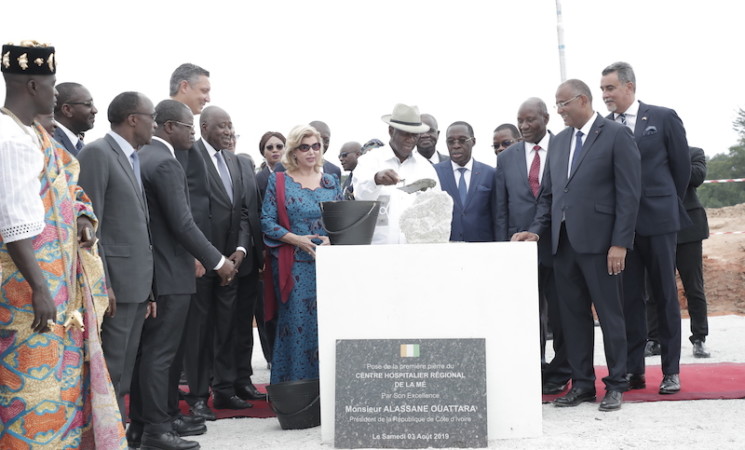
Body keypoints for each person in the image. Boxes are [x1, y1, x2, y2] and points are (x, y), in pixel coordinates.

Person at [0, 40, 126, 449]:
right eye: (53, 86)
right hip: (26, 289)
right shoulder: (10, 140)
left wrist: (85, 219)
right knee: (29, 387)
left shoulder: (35, 133)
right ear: (34, 85)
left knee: (60, 382)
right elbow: (14, 225)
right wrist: (39, 288)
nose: (57, 94)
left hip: (58, 289)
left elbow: (70, 186)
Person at [513, 79, 641, 412]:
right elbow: (549, 198)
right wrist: (535, 231)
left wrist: (620, 244)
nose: (558, 111)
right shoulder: (559, 143)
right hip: (563, 247)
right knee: (572, 319)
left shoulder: (615, 135)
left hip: (602, 247)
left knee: (611, 316)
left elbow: (629, 194)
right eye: (556, 105)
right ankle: (582, 384)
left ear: (582, 100)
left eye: (562, 103)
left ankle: (615, 384)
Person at [128, 100, 238, 449]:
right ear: (169, 127)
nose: (193, 134)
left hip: (153, 272)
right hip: (170, 273)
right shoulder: (164, 162)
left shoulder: (142, 157)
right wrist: (219, 261)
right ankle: (157, 431)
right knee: (162, 355)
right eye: (190, 127)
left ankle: (142, 426)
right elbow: (183, 223)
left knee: (149, 354)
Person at [600, 61, 691, 395]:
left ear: (629, 86)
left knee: (665, 294)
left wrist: (662, 202)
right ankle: (634, 370)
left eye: (610, 88)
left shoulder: (663, 117)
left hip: (660, 221)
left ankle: (671, 370)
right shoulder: (604, 128)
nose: (605, 95)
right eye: (602, 90)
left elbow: (681, 169)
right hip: (624, 229)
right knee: (629, 300)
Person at [77, 91, 156, 425]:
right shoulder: (98, 153)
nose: (154, 124)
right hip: (115, 288)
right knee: (111, 369)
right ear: (133, 119)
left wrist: (149, 288)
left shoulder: (132, 157)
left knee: (122, 371)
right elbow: (92, 227)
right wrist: (103, 283)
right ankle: (106, 436)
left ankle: (119, 435)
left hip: (137, 285)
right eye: (151, 117)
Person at [495, 98, 570, 395]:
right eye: (520, 121)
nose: (524, 127)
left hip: (560, 245)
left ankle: (562, 369)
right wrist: (504, 249)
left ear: (546, 118)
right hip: (519, 249)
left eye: (530, 120)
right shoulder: (507, 158)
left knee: (563, 312)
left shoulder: (564, 148)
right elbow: (501, 208)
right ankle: (532, 366)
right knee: (527, 312)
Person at [183, 106, 253, 420]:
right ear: (205, 126)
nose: (227, 132)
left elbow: (241, 211)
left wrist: (240, 249)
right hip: (202, 261)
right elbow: (185, 213)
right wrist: (208, 257)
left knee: (226, 327)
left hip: (231, 264)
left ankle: (225, 391)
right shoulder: (188, 155)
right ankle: (198, 397)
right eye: (222, 126)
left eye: (230, 126)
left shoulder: (235, 162)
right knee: (199, 333)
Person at [261, 124, 342, 384]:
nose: (311, 152)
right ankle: (296, 391)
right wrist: (296, 240)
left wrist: (334, 239)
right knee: (298, 327)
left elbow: (342, 221)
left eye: (316, 146)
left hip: (328, 266)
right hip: (296, 266)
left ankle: (329, 390)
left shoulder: (331, 181)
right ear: (294, 152)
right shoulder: (280, 180)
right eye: (304, 147)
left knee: (328, 324)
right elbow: (266, 221)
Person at [646, 146, 711, 358]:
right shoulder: (650, 155)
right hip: (657, 227)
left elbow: (697, 177)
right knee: (654, 287)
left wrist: (673, 158)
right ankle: (654, 339)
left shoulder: (693, 153)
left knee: (693, 287)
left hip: (689, 231)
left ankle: (699, 338)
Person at [352, 103, 440, 244]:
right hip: (377, 252)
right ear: (391, 131)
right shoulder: (369, 161)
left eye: (415, 135)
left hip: (415, 252)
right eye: (405, 133)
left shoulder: (426, 168)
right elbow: (360, 197)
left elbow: (436, 211)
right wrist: (376, 180)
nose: (410, 139)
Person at [229, 130, 269, 402]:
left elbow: (248, 212)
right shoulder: (195, 160)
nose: (229, 135)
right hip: (211, 258)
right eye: (223, 129)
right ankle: (218, 382)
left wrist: (249, 249)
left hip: (247, 257)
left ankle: (242, 379)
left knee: (243, 325)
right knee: (218, 328)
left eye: (233, 132)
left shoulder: (244, 165)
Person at [433, 121, 496, 241]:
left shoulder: (490, 173)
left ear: (473, 141)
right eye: (451, 141)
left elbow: (497, 215)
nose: (456, 145)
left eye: (462, 140)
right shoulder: (435, 173)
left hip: (482, 248)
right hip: (445, 248)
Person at [275, 120, 342, 181]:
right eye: (305, 147)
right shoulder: (282, 168)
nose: (322, 144)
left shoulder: (334, 171)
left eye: (326, 140)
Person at [53, 82, 97, 156]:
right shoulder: (50, 142)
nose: (95, 110)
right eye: (88, 104)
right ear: (67, 110)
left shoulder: (81, 146)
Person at [256, 131, 286, 198]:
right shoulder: (258, 179)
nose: (275, 150)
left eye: (279, 146)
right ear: (263, 152)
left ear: (286, 149)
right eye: (270, 147)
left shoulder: (297, 174)